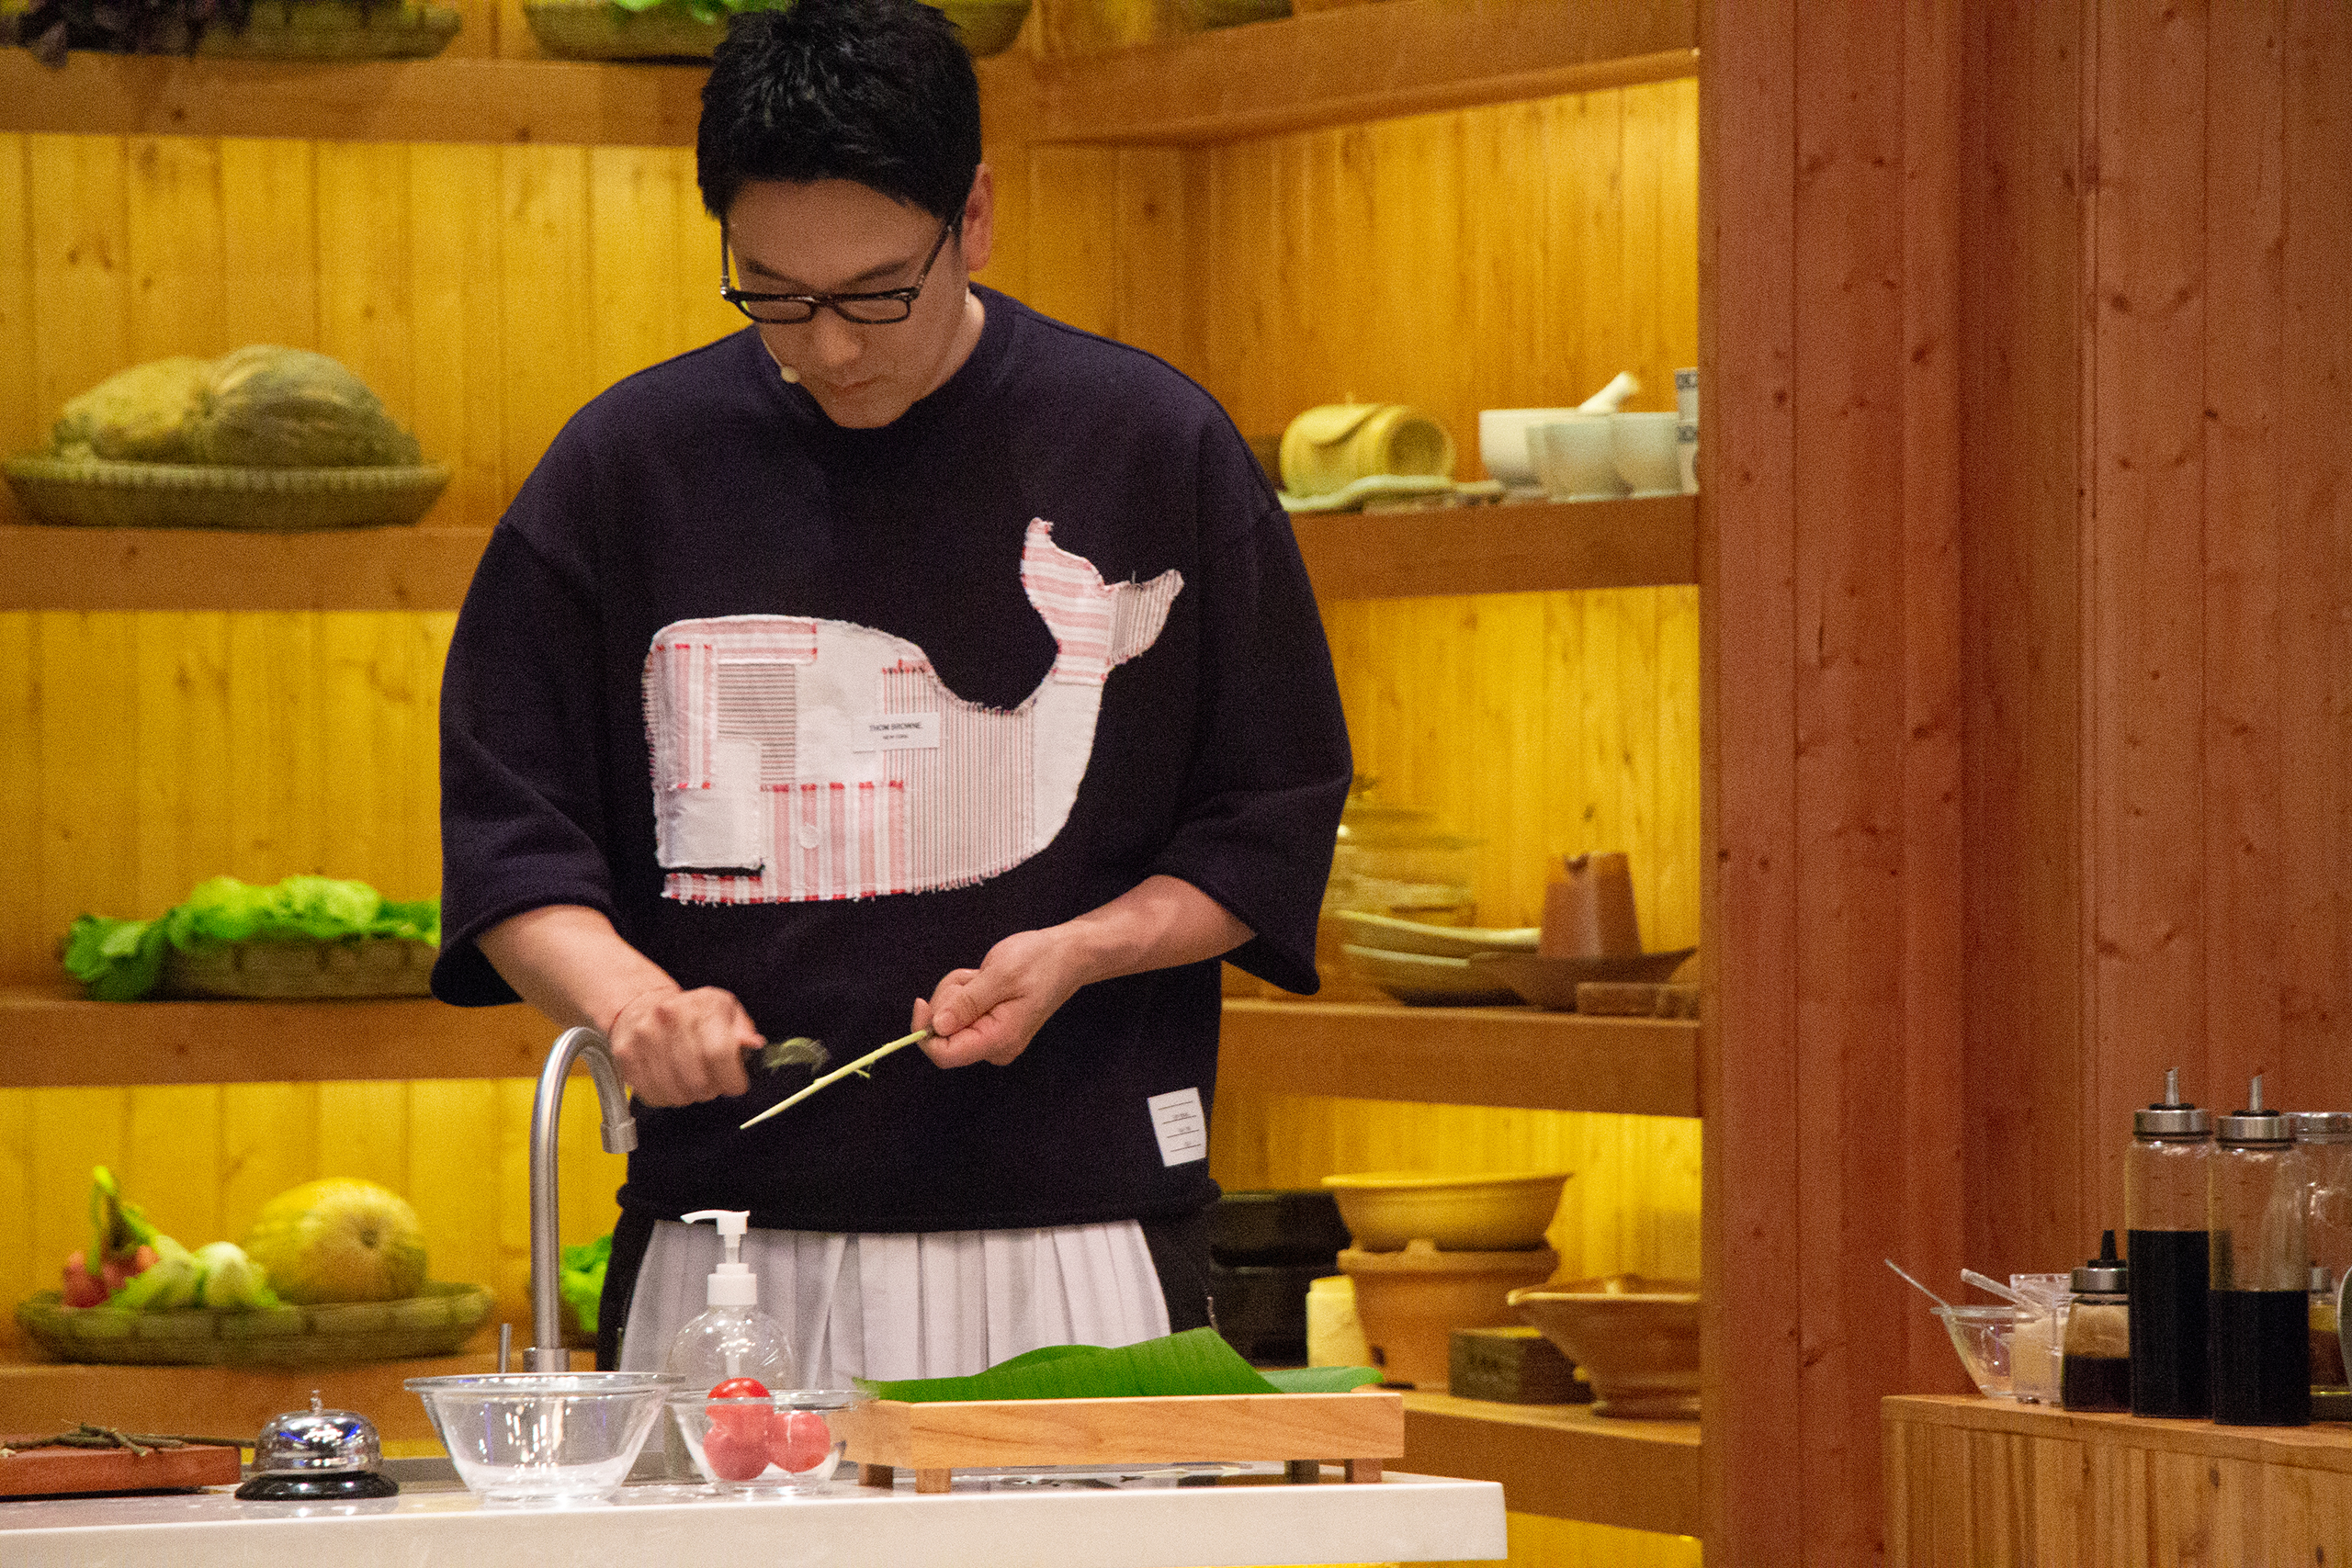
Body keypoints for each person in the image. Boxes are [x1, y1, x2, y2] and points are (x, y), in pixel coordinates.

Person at [432, 0, 1351, 1385]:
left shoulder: (1148, 445)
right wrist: (631, 1006)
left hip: (1078, 1231)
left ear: (972, 217)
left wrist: (1084, 950)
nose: (831, 348)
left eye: (876, 294)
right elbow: (513, 838)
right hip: (724, 1248)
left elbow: (1263, 820)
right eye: (773, 293)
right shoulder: (628, 467)